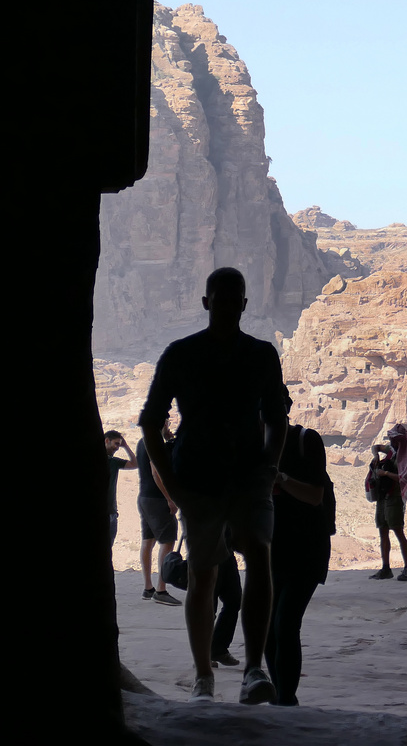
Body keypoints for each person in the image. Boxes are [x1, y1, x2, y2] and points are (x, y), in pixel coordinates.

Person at [139, 267, 287, 705]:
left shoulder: (196, 354)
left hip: (233, 478)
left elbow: (278, 420)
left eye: (231, 298)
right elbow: (150, 422)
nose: (225, 305)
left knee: (252, 562)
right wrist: (175, 487)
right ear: (208, 303)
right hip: (203, 483)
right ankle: (208, 675)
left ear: (242, 304)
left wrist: (267, 468)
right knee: (210, 573)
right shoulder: (233, 354)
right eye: (220, 298)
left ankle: (249, 669)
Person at [266, 418, 332, 706]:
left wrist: (280, 479)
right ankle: (280, 696)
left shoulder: (307, 441)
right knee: (268, 628)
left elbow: (315, 495)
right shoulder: (258, 446)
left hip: (307, 549)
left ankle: (285, 699)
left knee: (284, 624)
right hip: (271, 550)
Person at [365, 423, 407, 580]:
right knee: (383, 531)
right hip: (383, 496)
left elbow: (405, 478)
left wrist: (386, 473)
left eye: (393, 439)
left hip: (395, 497)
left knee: (398, 531)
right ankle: (386, 568)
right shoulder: (392, 451)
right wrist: (376, 456)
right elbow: (377, 447)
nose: (391, 442)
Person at [135, 428, 181, 607]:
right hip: (157, 499)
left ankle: (148, 588)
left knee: (148, 540)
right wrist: (169, 499)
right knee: (167, 541)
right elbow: (156, 472)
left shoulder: (142, 441)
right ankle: (161, 590)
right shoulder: (155, 443)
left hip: (144, 497)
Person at [104, 430, 138, 550]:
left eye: (119, 444)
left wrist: (126, 446)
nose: (117, 447)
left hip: (112, 512)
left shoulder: (113, 462)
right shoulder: (110, 462)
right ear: (107, 441)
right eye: (116, 444)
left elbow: (135, 464)